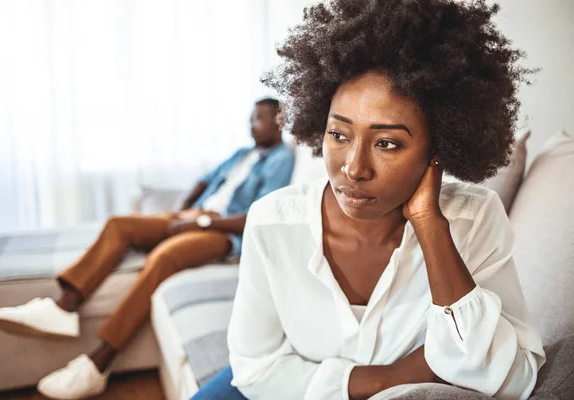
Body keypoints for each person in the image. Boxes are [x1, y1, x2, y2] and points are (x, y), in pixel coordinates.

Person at [191, 1, 546, 399]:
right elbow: (256, 370)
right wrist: (389, 377)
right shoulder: (273, 221)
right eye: (339, 135)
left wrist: (429, 224)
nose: (354, 169)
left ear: (437, 148)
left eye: (387, 143)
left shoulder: (474, 219)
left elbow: (514, 379)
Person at [0, 98, 295, 400]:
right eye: (250, 118)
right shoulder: (242, 153)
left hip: (219, 232)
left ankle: (100, 362)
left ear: (278, 121)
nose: (250, 125)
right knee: (119, 225)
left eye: (258, 118)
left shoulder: (282, 158)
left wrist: (199, 223)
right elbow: (203, 182)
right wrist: (181, 210)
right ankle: (63, 306)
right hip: (194, 216)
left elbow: (258, 213)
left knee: (165, 256)